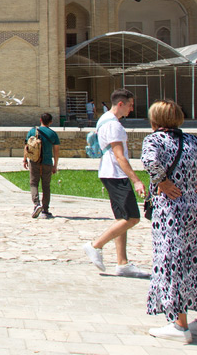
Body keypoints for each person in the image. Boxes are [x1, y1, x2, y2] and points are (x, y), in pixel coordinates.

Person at [141, 98, 197, 343]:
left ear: (155, 120)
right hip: (194, 206)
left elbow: (149, 161)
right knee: (193, 258)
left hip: (170, 208)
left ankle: (179, 325)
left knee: (171, 261)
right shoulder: (192, 140)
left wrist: (162, 182)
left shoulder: (154, 140)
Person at [83, 88, 148, 278]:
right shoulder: (113, 125)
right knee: (132, 218)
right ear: (121, 104)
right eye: (130, 105)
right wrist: (136, 180)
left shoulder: (105, 120)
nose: (132, 109)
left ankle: (122, 263)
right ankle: (95, 245)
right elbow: (119, 156)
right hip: (116, 174)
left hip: (108, 172)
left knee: (122, 219)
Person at [22, 113, 61, 219]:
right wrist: (55, 165)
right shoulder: (53, 134)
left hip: (34, 161)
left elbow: (27, 146)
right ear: (51, 122)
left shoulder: (32, 131)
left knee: (34, 183)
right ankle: (45, 210)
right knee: (46, 186)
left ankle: (36, 204)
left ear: (40, 120)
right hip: (47, 162)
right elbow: (56, 151)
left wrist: (25, 160)